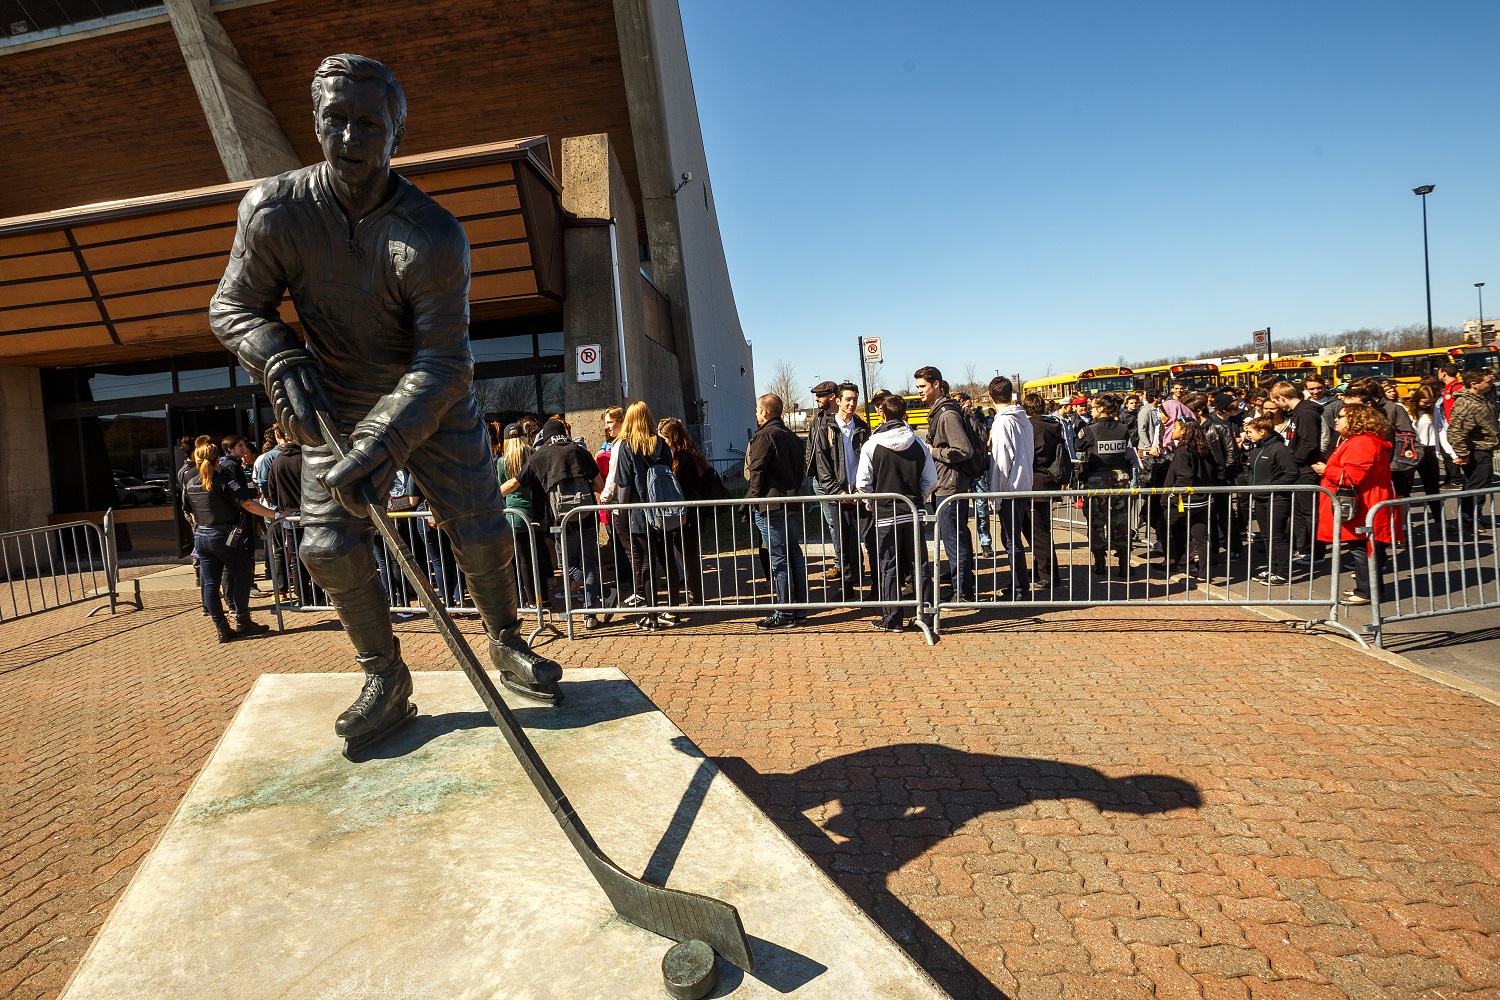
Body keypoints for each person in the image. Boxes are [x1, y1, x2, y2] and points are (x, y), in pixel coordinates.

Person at [209, 54, 563, 755]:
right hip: (333, 406)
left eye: (367, 124)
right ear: (315, 123)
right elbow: (232, 306)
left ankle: (506, 640)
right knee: (325, 544)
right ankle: (386, 677)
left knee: (481, 527)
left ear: (396, 133)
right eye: (335, 120)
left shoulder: (431, 235)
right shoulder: (275, 211)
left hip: (429, 402)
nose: (349, 138)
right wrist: (278, 354)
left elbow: (447, 361)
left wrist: (386, 440)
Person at [502, 418, 608, 627]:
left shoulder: (540, 455)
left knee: (566, 565)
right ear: (564, 433)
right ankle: (591, 613)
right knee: (589, 563)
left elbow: (516, 482)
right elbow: (598, 485)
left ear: (546, 435)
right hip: (586, 517)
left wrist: (490, 496)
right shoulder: (579, 451)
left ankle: (602, 593)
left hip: (562, 521)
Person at [855, 393, 937, 632]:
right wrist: (917, 498)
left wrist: (874, 503)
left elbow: (863, 482)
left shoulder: (872, 445)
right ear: (905, 415)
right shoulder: (918, 443)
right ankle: (926, 615)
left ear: (883, 414)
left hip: (885, 514)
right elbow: (931, 480)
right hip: (912, 511)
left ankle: (892, 619)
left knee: (888, 566)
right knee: (919, 565)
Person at [183, 439, 276, 642]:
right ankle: (243, 621)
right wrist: (275, 515)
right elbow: (248, 504)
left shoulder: (190, 482)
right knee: (242, 576)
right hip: (224, 536)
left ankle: (221, 627)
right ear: (218, 459)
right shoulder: (223, 480)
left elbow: (191, 512)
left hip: (202, 536)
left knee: (209, 584)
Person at [606, 401, 687, 630]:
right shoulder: (661, 444)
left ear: (629, 420)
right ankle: (673, 611)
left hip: (639, 514)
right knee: (668, 560)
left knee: (645, 565)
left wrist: (621, 517)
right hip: (664, 511)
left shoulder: (626, 447)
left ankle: (651, 617)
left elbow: (623, 485)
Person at [1313, 403, 1403, 606]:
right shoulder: (1356, 441)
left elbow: (1352, 477)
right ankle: (1368, 588)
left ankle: (1367, 592)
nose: (1337, 419)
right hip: (1364, 502)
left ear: (1355, 420)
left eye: (1342, 416)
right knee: (1363, 547)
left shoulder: (1361, 443)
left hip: (1365, 504)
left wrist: (1325, 470)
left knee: (1362, 548)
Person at [745, 393, 808, 629]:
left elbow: (756, 472)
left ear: (766, 412)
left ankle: (784, 612)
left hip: (771, 506)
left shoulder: (765, 435)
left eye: (758, 410)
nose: (756, 414)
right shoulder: (792, 437)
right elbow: (799, 471)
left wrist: (754, 498)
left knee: (780, 559)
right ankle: (800, 610)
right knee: (794, 556)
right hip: (789, 502)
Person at [916, 366, 978, 601]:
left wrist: (934, 451)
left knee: (954, 540)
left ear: (936, 384)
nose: (920, 391)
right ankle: (961, 586)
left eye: (922, 386)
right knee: (954, 538)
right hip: (947, 484)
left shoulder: (947, 414)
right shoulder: (940, 411)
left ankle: (962, 591)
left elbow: (963, 449)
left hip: (950, 485)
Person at [807, 381, 870, 590]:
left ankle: (871, 584)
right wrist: (838, 492)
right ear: (839, 400)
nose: (852, 404)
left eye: (855, 399)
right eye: (848, 400)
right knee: (840, 538)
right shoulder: (825, 427)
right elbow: (822, 466)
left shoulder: (862, 427)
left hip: (860, 494)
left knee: (868, 538)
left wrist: (863, 490)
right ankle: (847, 586)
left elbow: (869, 462)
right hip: (837, 493)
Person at [658, 416, 726, 606]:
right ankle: (694, 595)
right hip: (689, 513)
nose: (661, 443)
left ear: (673, 437)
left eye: (664, 439)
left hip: (688, 515)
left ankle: (696, 597)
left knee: (687, 557)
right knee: (686, 555)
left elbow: (684, 488)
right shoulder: (691, 454)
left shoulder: (684, 458)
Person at [1076, 393, 1137, 578]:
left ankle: (1100, 563)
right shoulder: (1123, 429)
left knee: (1096, 524)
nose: (1091, 410)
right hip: (1120, 480)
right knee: (1121, 523)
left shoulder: (1090, 430)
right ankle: (1124, 565)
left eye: (1093, 407)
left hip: (1097, 481)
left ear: (1101, 409)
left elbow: (1078, 445)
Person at [987, 377, 1034, 597]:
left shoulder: (1001, 423)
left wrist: (995, 497)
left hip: (1009, 489)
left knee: (1011, 540)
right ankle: (1019, 585)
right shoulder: (1024, 420)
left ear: (990, 398)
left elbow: (1001, 463)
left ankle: (1019, 587)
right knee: (1013, 539)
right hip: (1023, 485)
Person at [1269, 381, 1325, 564]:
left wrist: (1294, 462)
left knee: (1310, 513)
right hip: (1300, 469)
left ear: (1282, 398)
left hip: (1306, 470)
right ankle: (1304, 548)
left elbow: (1310, 443)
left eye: (1277, 403)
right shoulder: (1299, 413)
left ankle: (1316, 552)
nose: (1278, 407)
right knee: (1300, 512)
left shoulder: (1306, 413)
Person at [496, 423, 548, 611]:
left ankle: (530, 600)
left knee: (523, 559)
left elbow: (501, 488)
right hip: (537, 513)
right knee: (539, 557)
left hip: (515, 515)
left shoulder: (502, 461)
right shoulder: (534, 456)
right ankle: (544, 599)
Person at [1244, 415, 1298, 583]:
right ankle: (1271, 568)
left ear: (1262, 431)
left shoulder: (1279, 449)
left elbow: (1292, 472)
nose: (1248, 435)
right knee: (1267, 536)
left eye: (1250, 432)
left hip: (1277, 498)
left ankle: (1283, 572)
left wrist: (1272, 486)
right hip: (1260, 498)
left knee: (1277, 536)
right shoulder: (1258, 448)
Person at [1163, 417, 1216, 582]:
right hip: (1203, 499)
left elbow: (1185, 478)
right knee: (1201, 535)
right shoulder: (1203, 447)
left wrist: (1171, 496)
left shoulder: (1183, 451)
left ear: (1184, 430)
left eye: (1175, 428)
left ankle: (1181, 561)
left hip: (1185, 501)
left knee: (1164, 524)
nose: (1172, 431)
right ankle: (1203, 572)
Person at [1446, 369, 1499, 534]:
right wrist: (1462, 454)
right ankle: (1470, 519)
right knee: (1477, 487)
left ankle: (1473, 517)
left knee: (1476, 485)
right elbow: (1455, 432)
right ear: (1474, 384)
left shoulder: (1483, 398)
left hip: (1484, 448)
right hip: (1476, 450)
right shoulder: (1466, 404)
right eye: (1488, 381)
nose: (1492, 383)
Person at [1023, 393, 1066, 587]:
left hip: (1036, 480)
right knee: (1038, 529)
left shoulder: (1032, 427)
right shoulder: (1053, 425)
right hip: (1048, 479)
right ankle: (1043, 569)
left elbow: (1034, 454)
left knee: (1038, 531)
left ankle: (1048, 574)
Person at [804, 379, 844, 581]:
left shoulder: (840, 419)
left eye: (820, 395)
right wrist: (811, 470)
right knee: (832, 524)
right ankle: (841, 563)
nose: (817, 399)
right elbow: (811, 446)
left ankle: (847, 565)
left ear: (831, 396)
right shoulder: (818, 418)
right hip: (819, 480)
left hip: (835, 482)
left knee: (841, 524)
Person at [593, 406, 631, 590]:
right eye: (605, 423)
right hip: (618, 505)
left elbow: (608, 480)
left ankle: (627, 580)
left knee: (622, 546)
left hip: (614, 505)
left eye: (610, 422)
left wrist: (605, 499)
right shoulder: (621, 445)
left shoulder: (615, 449)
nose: (607, 427)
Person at [1404, 384, 1443, 500]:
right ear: (1417, 398)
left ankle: (1439, 518)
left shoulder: (1433, 410)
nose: (1428, 405)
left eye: (1431, 402)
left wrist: (1439, 452)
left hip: (1428, 449)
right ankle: (1404, 517)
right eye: (1425, 402)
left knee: (1433, 489)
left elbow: (1437, 432)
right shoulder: (1405, 409)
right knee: (1406, 488)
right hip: (1410, 449)